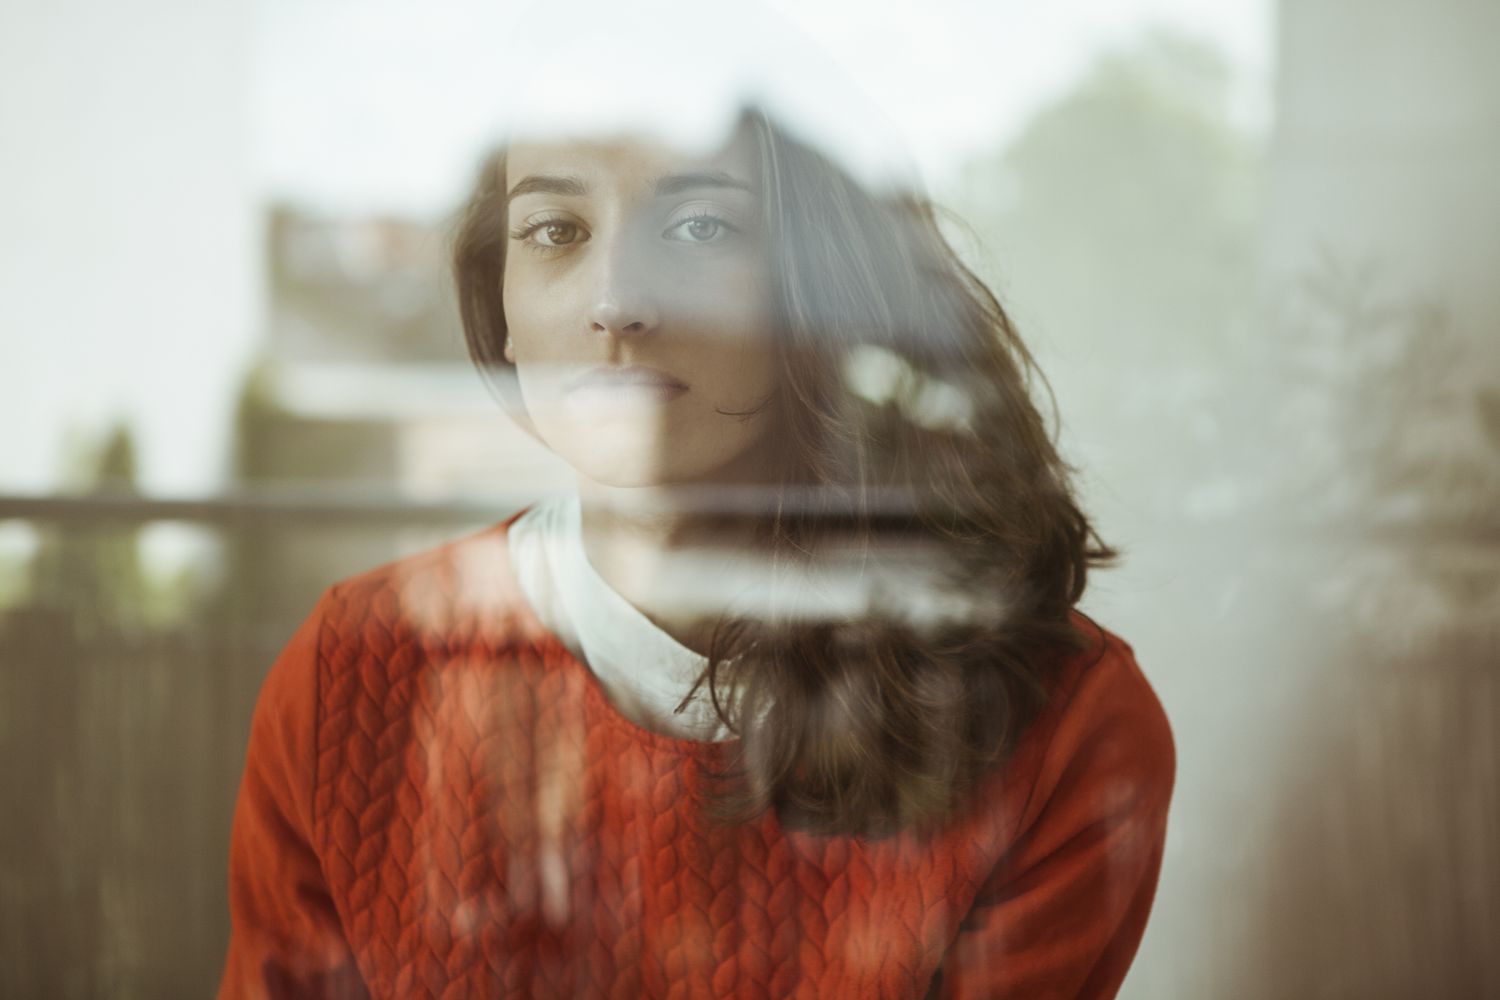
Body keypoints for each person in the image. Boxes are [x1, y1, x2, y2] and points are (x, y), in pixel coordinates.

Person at [217, 71, 1175, 1000]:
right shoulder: (351, 675)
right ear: (502, 311)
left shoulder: (1063, 729)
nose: (617, 300)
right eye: (554, 231)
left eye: (700, 226)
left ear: (813, 288)